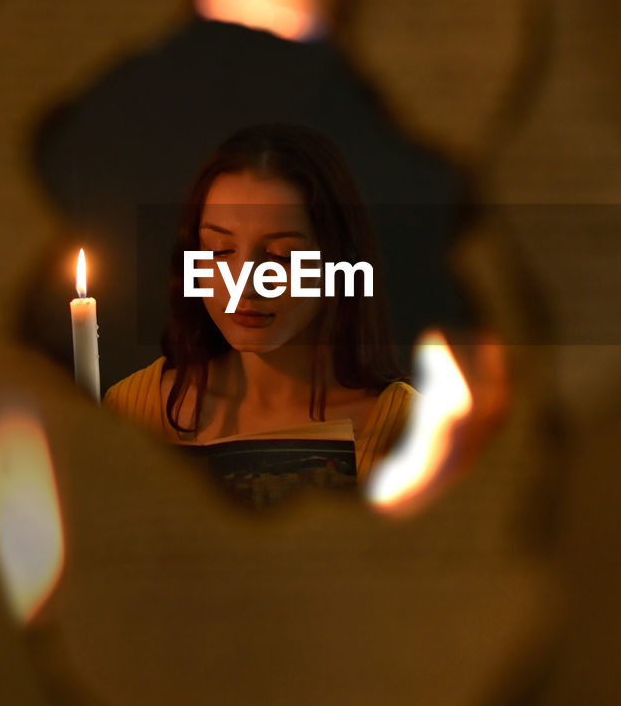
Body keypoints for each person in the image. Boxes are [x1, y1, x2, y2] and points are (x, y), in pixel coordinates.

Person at [103, 124, 414, 488]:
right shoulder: (134, 411)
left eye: (281, 256)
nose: (245, 285)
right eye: (220, 250)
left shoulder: (407, 429)